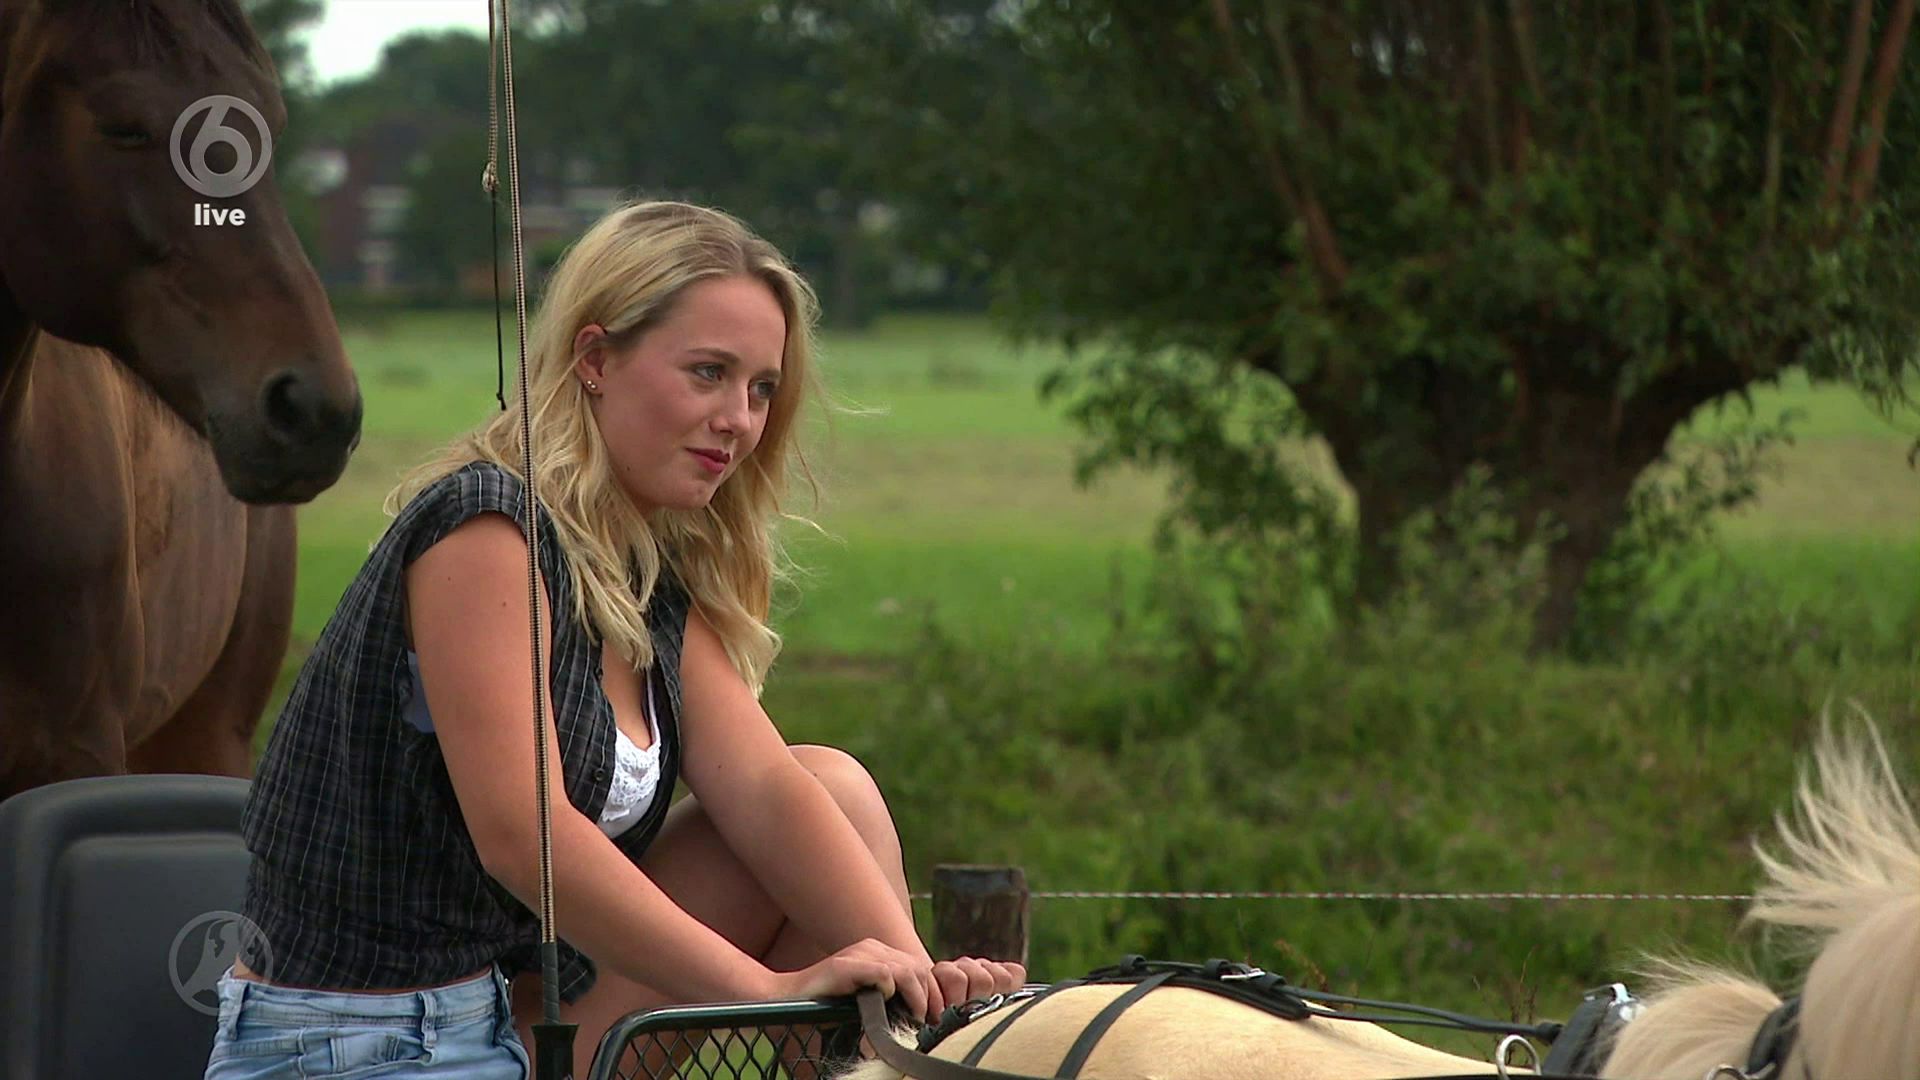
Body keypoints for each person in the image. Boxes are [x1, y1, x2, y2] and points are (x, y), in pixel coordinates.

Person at [205, 200, 1025, 1079]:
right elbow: (525, 836)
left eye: (760, 389)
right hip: (360, 1041)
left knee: (833, 789)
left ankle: (924, 1050)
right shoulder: (485, 527)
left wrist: (920, 986)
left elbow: (765, 791)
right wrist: (764, 988)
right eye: (708, 373)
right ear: (595, 359)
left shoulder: (644, 569)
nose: (740, 420)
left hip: (511, 1012)